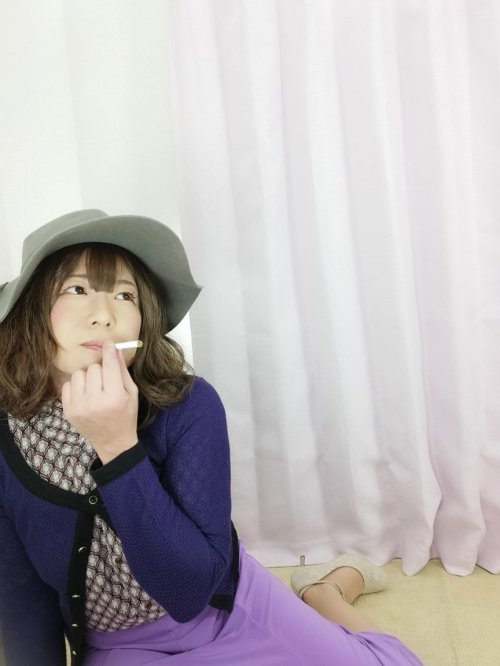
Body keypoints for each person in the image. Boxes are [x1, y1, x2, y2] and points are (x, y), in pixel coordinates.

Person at [0, 209, 422, 666]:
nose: (104, 315)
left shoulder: (190, 404)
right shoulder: (8, 440)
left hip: (227, 610)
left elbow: (189, 591)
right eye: (77, 289)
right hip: (122, 646)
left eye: (124, 295)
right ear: (32, 310)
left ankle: (326, 593)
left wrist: (118, 448)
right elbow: (22, 603)